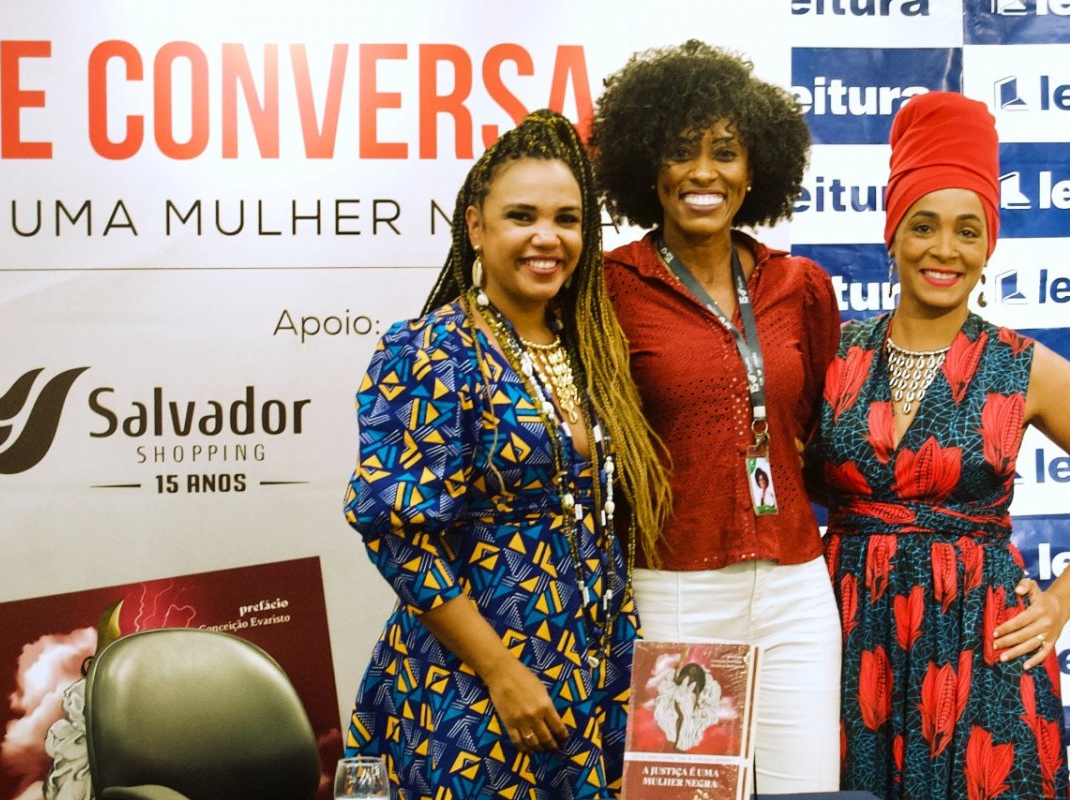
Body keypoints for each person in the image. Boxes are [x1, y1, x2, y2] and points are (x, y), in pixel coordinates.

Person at [808, 91, 1070, 799]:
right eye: (924, 226)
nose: (945, 250)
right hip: (848, 641)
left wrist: (1058, 604)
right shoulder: (833, 354)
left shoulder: (1023, 367)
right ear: (892, 232)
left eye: (968, 231)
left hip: (979, 644)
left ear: (988, 244)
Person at [342, 109, 672, 800]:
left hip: (591, 667)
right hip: (474, 687)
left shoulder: (589, 348)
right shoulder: (434, 350)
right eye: (522, 215)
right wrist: (501, 672)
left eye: (567, 219)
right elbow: (398, 536)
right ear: (475, 227)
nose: (547, 238)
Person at [591, 40, 843, 792]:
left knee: (807, 791)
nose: (705, 173)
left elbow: (817, 427)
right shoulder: (611, 288)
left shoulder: (798, 284)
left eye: (725, 152)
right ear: (647, 168)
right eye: (680, 152)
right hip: (680, 588)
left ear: (755, 168)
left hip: (797, 584)